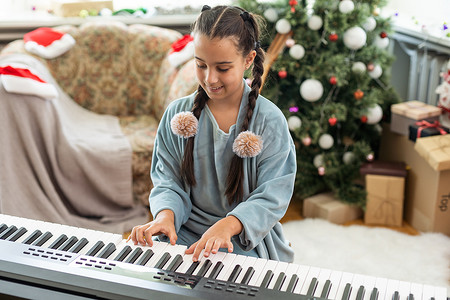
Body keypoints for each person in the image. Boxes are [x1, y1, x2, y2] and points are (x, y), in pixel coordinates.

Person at [128, 5, 296, 264]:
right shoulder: (178, 115)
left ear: (249, 59)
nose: (210, 78)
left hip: (242, 238)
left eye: (223, 68)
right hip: (184, 233)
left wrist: (228, 225)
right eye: (201, 65)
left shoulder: (270, 121)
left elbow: (272, 195)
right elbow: (167, 180)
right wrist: (165, 217)